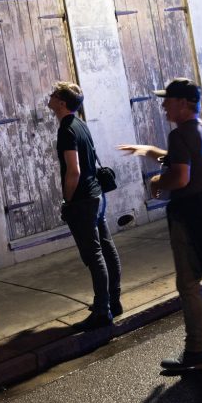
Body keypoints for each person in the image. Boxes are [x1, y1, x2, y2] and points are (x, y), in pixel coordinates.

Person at [119, 78, 202, 372]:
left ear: (183, 103)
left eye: (168, 100)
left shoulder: (179, 135)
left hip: (189, 215)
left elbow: (180, 177)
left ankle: (196, 351)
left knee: (189, 283)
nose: (164, 105)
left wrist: (156, 182)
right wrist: (150, 150)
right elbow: (185, 160)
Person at [47, 82, 123, 331]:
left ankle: (102, 310)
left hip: (82, 200)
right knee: (106, 248)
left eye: (53, 94)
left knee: (94, 254)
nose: (49, 96)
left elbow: (74, 171)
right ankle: (113, 300)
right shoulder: (81, 124)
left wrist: (67, 200)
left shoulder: (67, 129)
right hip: (97, 195)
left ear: (61, 101)